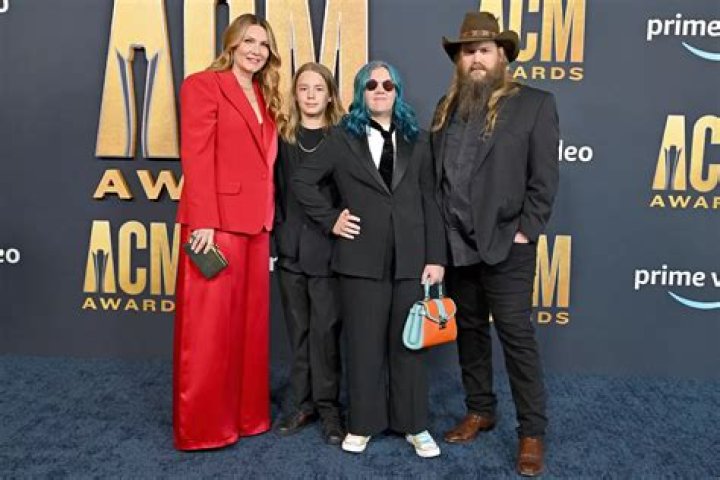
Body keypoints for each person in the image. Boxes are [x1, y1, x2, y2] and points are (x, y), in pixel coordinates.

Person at [293, 61, 446, 458]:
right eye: (371, 84)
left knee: (410, 346)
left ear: (397, 91)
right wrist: (331, 219)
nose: (380, 89)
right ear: (361, 91)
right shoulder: (342, 139)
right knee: (363, 346)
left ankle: (415, 425)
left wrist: (436, 257)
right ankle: (362, 424)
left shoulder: (420, 140)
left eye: (388, 84)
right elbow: (302, 181)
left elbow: (431, 200)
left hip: (412, 260)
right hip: (359, 260)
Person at [432, 12, 559, 476]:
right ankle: (480, 409)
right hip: (457, 243)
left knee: (515, 334)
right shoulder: (445, 108)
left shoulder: (534, 104)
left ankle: (532, 431)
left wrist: (527, 230)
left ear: (502, 55)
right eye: (468, 52)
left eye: (485, 50)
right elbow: (438, 178)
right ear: (459, 60)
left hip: (508, 242)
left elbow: (544, 178)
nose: (476, 59)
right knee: (469, 329)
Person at [173, 13, 283, 451]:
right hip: (215, 226)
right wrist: (203, 219)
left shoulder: (264, 94)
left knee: (249, 330)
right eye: (249, 41)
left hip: (257, 224)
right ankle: (203, 427)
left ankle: (246, 417)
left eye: (264, 44)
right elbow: (196, 155)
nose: (257, 50)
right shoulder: (203, 85)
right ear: (232, 44)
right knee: (208, 331)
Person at [273, 62, 346, 445]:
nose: (312, 95)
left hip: (328, 253)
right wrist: (277, 241)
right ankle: (302, 404)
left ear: (330, 94)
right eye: (304, 88)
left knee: (325, 333)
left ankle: (330, 409)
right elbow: (274, 193)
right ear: (295, 94)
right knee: (298, 332)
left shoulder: (343, 139)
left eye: (319, 88)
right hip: (290, 252)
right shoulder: (282, 137)